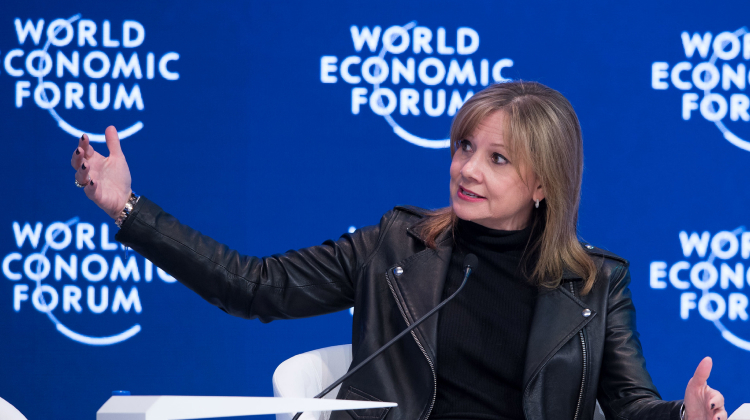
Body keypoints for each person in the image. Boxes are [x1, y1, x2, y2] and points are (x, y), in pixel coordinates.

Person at [70, 81, 726, 420]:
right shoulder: (396, 246)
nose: (467, 170)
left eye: (497, 159)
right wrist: (129, 209)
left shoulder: (595, 285)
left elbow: (631, 406)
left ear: (542, 184)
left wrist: (683, 415)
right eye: (464, 148)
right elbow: (255, 285)